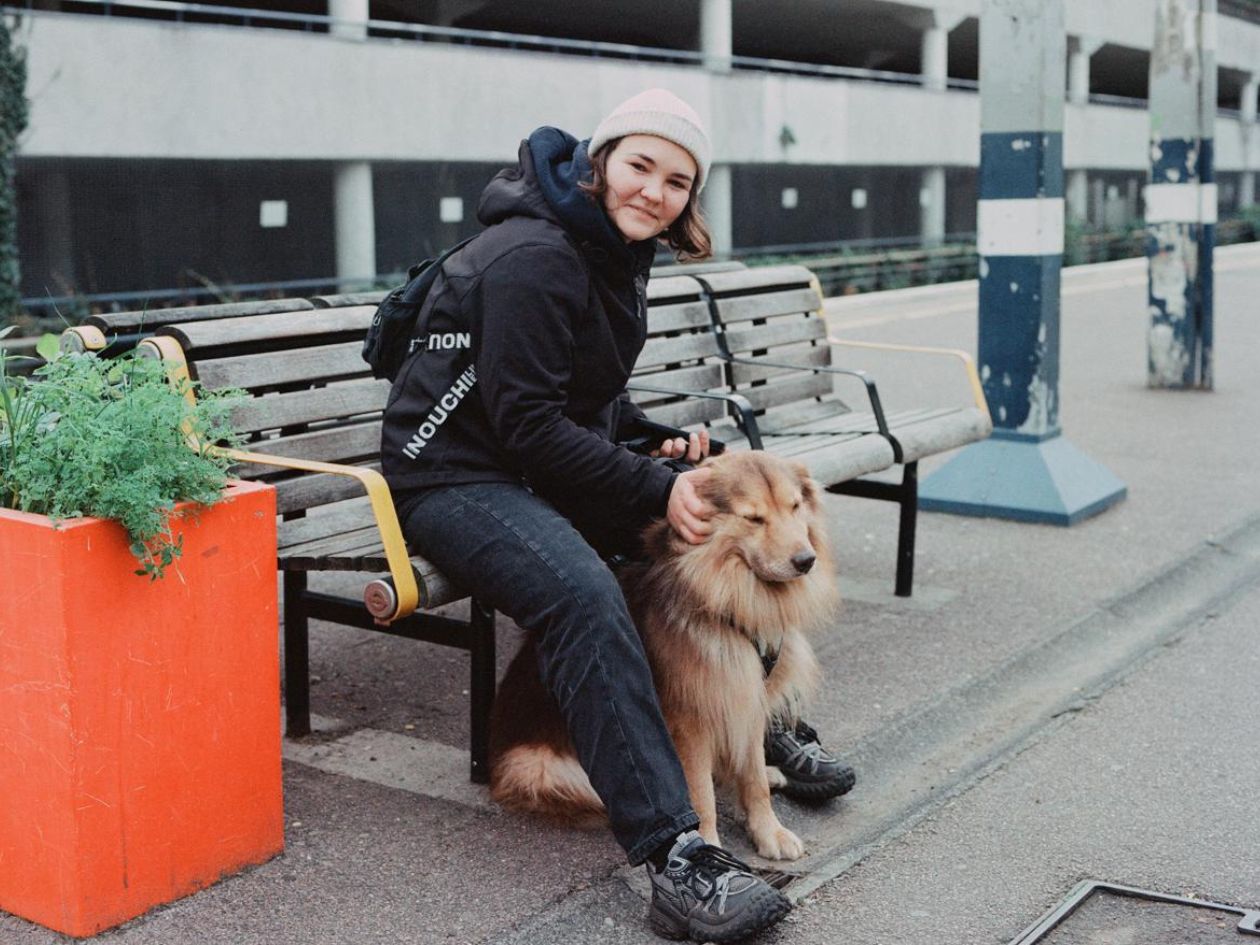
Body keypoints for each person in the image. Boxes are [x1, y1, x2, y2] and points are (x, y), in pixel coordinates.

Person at [380, 89, 848, 941]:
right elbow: (527, 422)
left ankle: (762, 723)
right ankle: (678, 854)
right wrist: (650, 486)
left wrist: (654, 442)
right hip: (453, 479)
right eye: (640, 165)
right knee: (586, 596)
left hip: (523, 462)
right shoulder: (532, 256)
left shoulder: (610, 250)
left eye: (677, 181)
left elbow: (584, 399)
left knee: (691, 551)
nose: (654, 191)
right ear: (600, 162)